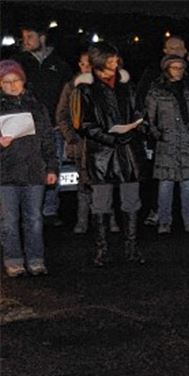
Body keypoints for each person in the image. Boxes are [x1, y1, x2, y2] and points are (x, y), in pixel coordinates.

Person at [76, 42, 147, 267]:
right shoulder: (85, 89)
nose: (115, 63)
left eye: (116, 59)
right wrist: (111, 136)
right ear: (99, 62)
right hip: (101, 155)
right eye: (111, 60)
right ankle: (102, 250)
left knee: (131, 201)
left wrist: (135, 127)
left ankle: (132, 248)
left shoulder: (127, 86)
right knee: (101, 203)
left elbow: (138, 111)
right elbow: (84, 124)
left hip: (128, 152)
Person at [0, 59, 58, 277]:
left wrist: (51, 168)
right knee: (8, 220)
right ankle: (13, 260)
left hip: (34, 171)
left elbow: (48, 140)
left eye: (15, 80)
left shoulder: (36, 106)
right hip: (5, 173)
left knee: (34, 218)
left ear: (23, 81)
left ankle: (35, 259)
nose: (12, 85)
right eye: (6, 82)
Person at [12, 23, 72, 227]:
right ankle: (24, 210)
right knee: (23, 167)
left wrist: (62, 121)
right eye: (23, 36)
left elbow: (69, 97)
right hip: (24, 127)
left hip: (52, 128)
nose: (25, 40)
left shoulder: (60, 65)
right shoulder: (18, 63)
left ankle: (50, 209)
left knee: (52, 167)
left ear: (42, 38)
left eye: (30, 35)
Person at [57, 50, 120, 235]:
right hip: (81, 144)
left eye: (90, 64)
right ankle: (83, 220)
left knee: (106, 182)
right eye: (83, 64)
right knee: (84, 184)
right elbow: (62, 115)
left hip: (102, 143)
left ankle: (110, 219)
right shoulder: (71, 87)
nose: (86, 68)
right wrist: (71, 137)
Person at [145, 54, 189, 235]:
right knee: (166, 184)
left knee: (188, 183)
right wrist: (158, 134)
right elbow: (149, 118)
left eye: (181, 68)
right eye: (175, 67)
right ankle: (164, 221)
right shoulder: (157, 91)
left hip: (187, 142)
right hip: (167, 143)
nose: (178, 71)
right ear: (167, 69)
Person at [135, 35, 189, 109]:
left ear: (185, 50)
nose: (176, 51)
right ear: (165, 51)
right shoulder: (153, 71)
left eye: (179, 48)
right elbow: (142, 96)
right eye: (172, 48)